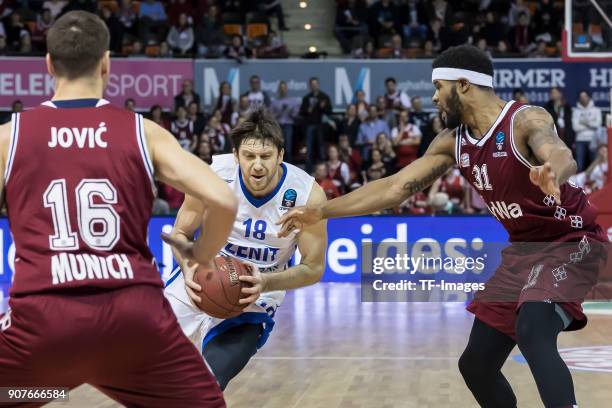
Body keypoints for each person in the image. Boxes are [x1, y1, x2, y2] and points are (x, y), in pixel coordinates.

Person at [278, 44, 607, 408]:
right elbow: (394, 187)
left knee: (533, 329)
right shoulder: (452, 142)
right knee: (477, 365)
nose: (434, 98)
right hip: (523, 253)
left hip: (572, 239)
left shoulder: (524, 120)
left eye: (439, 88)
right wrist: (322, 212)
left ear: (463, 85)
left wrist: (552, 171)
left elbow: (559, 151)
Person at [0, 11, 237, 407]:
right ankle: (59, 386)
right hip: (135, 320)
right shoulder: (143, 132)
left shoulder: (11, 136)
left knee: (21, 392)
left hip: (45, 321)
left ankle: (53, 388)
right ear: (107, 63)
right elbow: (224, 199)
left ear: (48, 65)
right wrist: (201, 253)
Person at [163, 108, 328, 391]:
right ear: (236, 155)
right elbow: (181, 233)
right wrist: (189, 266)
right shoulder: (212, 177)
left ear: (281, 155)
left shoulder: (306, 195)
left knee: (207, 385)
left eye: (265, 156)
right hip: (203, 276)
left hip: (258, 291)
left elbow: (313, 268)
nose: (257, 165)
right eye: (249, 156)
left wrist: (265, 281)